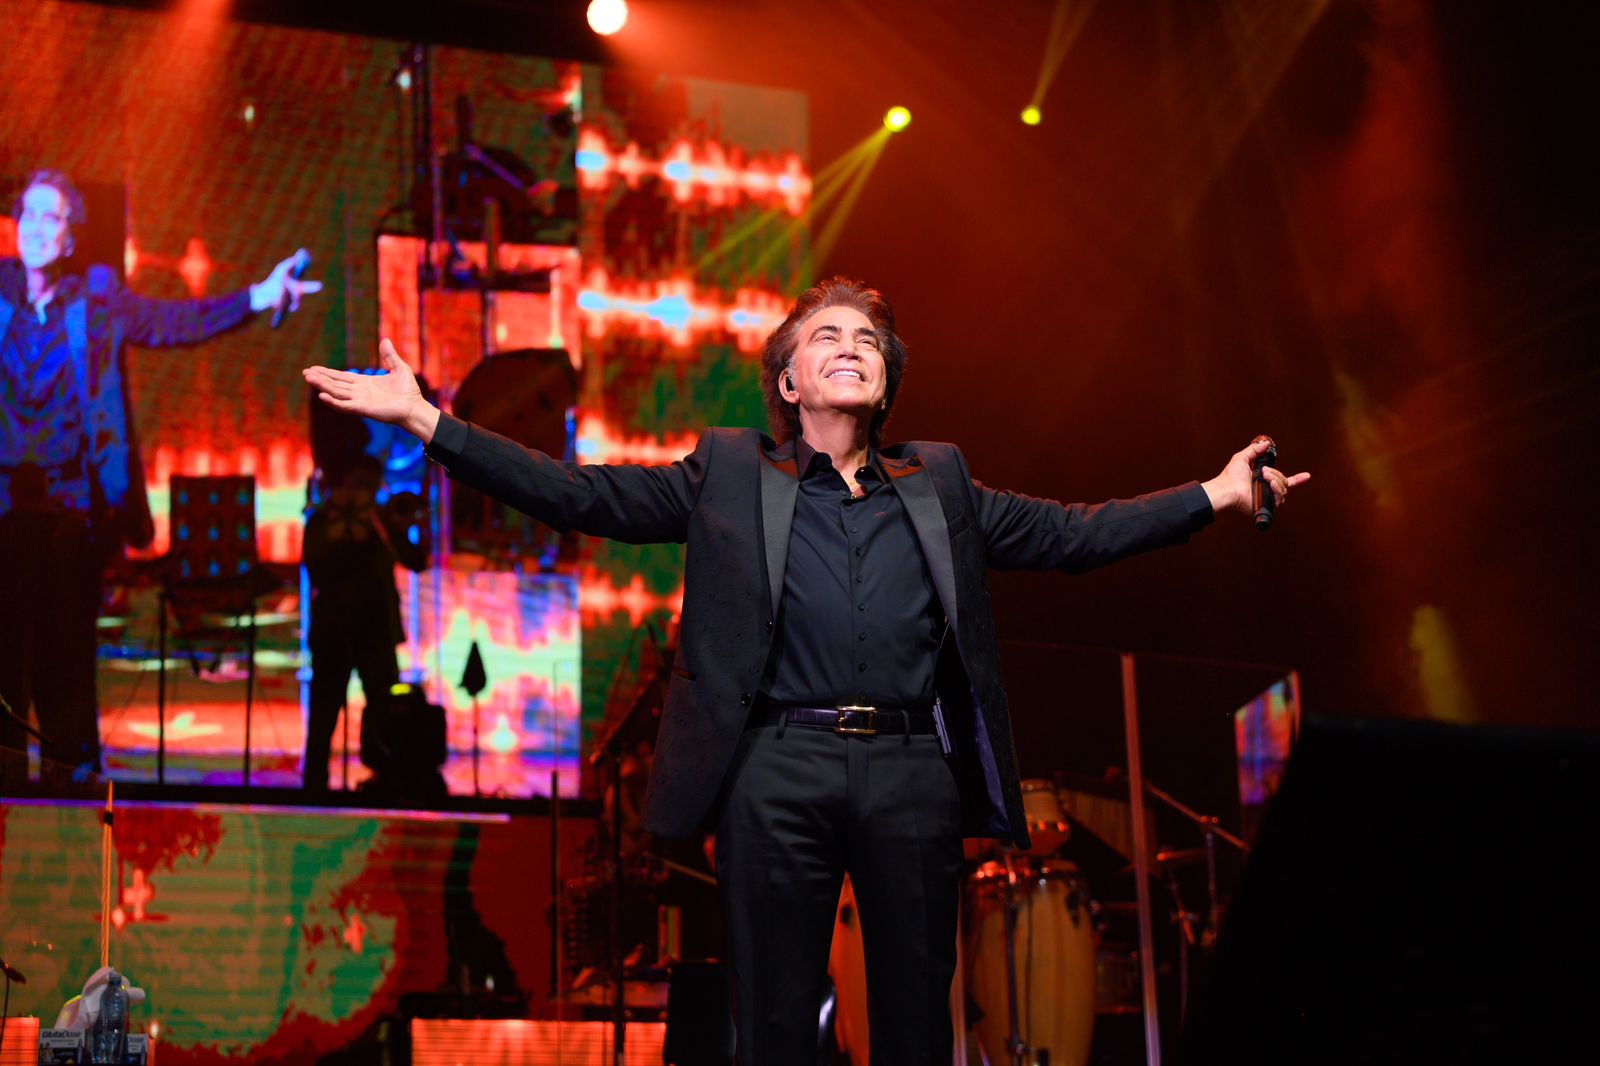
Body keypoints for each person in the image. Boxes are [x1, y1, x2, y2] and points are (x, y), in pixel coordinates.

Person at [303, 278, 1308, 1063]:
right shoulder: (729, 473)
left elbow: (1075, 533)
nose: (851, 346)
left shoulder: (940, 482)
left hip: (911, 771)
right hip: (775, 768)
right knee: (777, 1024)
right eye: (826, 336)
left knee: (916, 1024)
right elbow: (580, 494)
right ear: (788, 383)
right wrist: (432, 425)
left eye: (867, 339)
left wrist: (1214, 494)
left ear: (886, 383)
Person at [0, 168, 322, 774]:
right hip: (3, 513)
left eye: (52, 218)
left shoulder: (96, 304)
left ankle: (71, 804)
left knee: (65, 677)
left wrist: (256, 298)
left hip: (70, 518)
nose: (37, 228)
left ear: (70, 237)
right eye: (29, 215)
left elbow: (172, 323)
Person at [301, 454, 429, 791]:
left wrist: (396, 530)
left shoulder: (382, 524)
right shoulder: (320, 522)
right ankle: (314, 785)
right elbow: (315, 567)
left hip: (376, 632)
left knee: (385, 709)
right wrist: (346, 534)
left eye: (370, 485)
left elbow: (417, 561)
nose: (364, 491)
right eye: (359, 484)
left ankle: (386, 777)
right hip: (333, 632)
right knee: (323, 713)